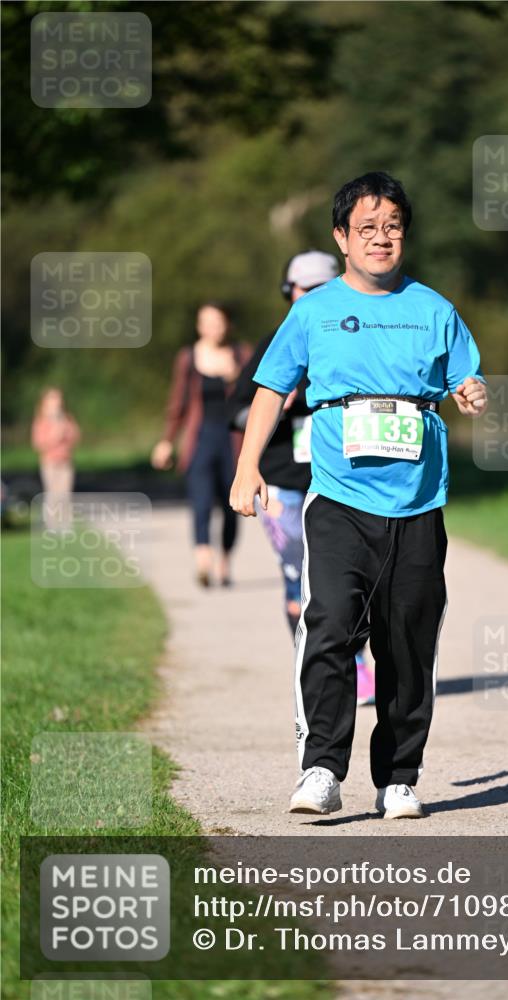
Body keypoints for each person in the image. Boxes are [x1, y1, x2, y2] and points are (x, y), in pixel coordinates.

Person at [230, 171, 487, 819]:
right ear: (341, 237)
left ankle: (398, 777)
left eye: (392, 227)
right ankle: (320, 768)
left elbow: (465, 378)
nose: (381, 238)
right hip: (340, 500)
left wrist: (471, 392)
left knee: (407, 642)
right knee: (332, 629)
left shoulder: (434, 309)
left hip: (418, 503)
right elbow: (270, 389)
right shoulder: (312, 310)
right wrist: (246, 468)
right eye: (367, 228)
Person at [228, 250, 376, 706]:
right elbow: (238, 412)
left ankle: (354, 664)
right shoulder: (277, 339)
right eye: (302, 288)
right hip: (284, 482)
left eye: (320, 287)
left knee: (351, 578)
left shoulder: (357, 337)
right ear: (287, 291)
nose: (310, 295)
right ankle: (314, 664)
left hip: (344, 478)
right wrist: (283, 402)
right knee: (299, 577)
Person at [152, 301, 249, 587]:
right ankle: (203, 558)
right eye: (206, 322)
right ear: (199, 326)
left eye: (217, 322)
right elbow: (178, 402)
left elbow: (257, 396)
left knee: (233, 505)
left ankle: (225, 561)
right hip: (201, 440)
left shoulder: (242, 355)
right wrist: (167, 441)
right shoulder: (188, 358)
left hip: (233, 442)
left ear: (227, 324)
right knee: (201, 501)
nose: (212, 328)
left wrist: (238, 377)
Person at [31, 387, 80, 532]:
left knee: (65, 493)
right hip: (50, 462)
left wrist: (65, 427)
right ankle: (51, 524)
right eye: (53, 398)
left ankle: (65, 524)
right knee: (52, 493)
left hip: (65, 461)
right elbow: (38, 443)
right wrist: (55, 433)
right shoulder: (41, 420)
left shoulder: (66, 418)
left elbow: (75, 436)